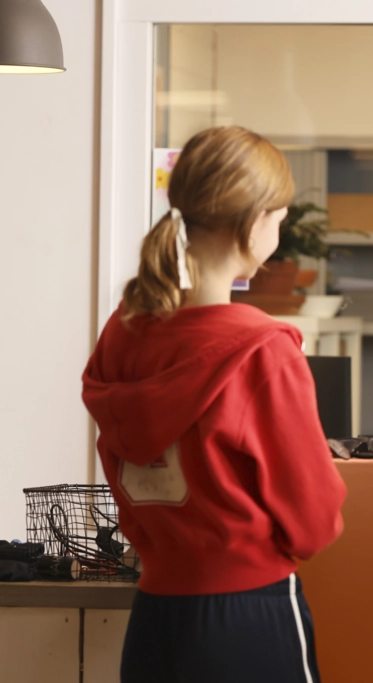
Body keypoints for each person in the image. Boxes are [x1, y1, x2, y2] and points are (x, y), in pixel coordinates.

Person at [82, 126, 346, 683]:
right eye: (279, 218)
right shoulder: (262, 350)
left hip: (154, 618)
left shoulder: (121, 336)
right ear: (253, 225)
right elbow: (314, 521)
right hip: (249, 615)